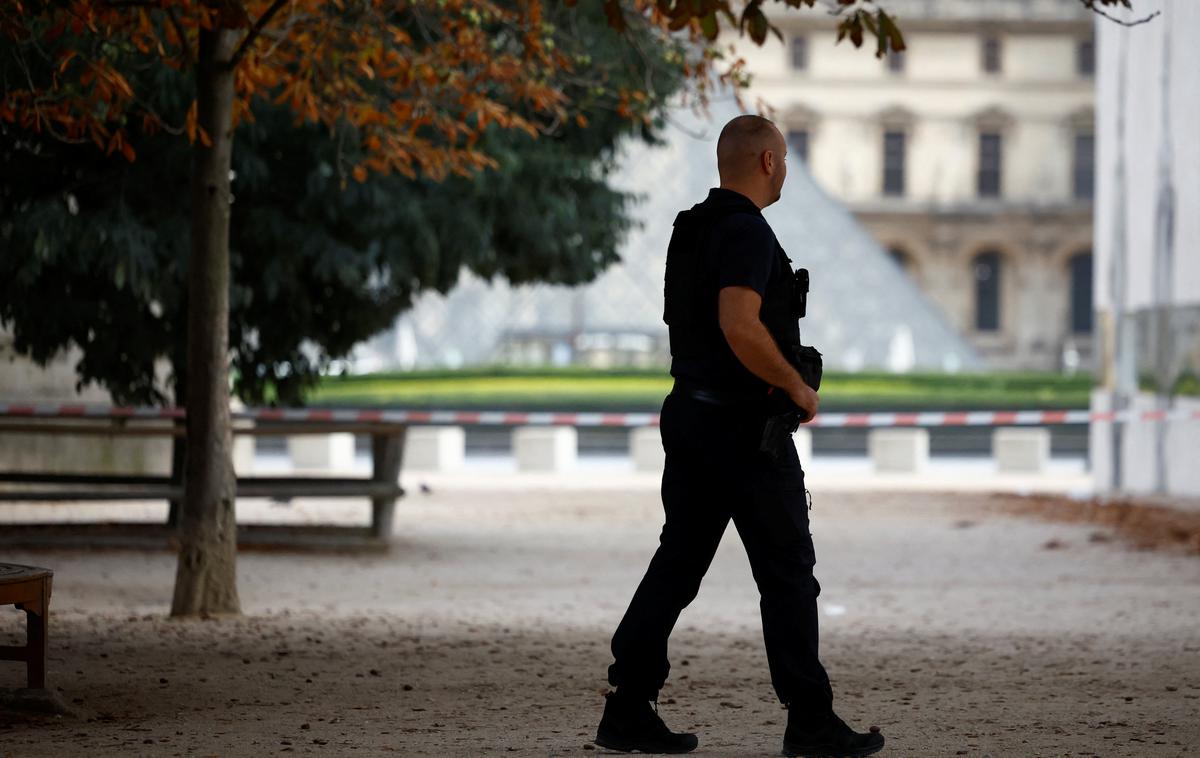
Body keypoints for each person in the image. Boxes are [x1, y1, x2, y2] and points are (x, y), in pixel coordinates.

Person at [594, 115, 885, 757]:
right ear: (770, 163)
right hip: (745, 430)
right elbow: (740, 324)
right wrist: (797, 388)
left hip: (692, 416)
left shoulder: (691, 227)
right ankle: (810, 721)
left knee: (679, 563)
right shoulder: (748, 232)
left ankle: (629, 706)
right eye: (783, 157)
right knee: (787, 575)